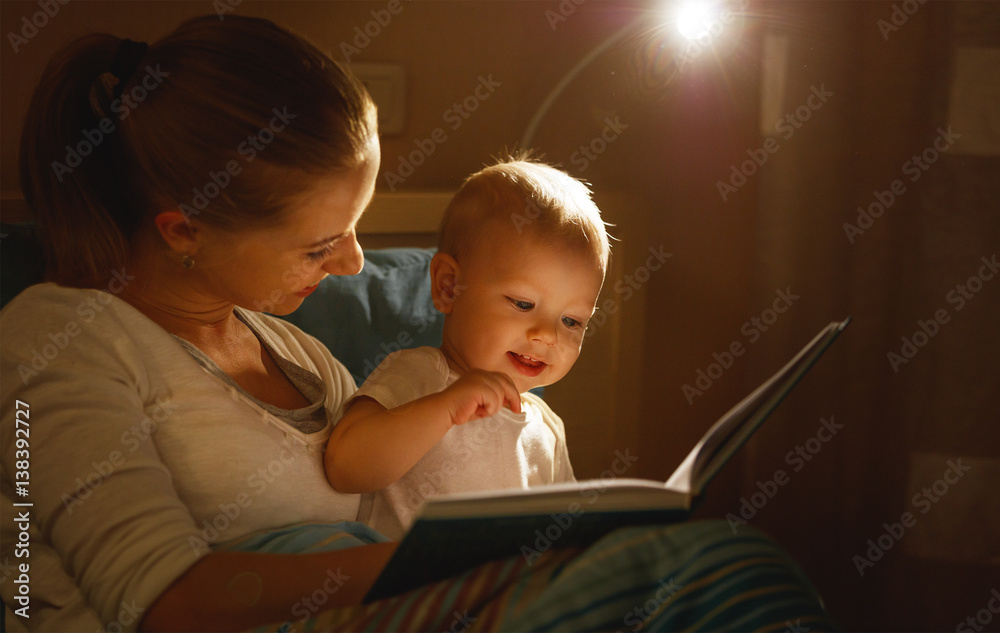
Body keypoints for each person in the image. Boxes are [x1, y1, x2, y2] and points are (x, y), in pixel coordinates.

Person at [0, 13, 839, 633]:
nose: (356, 266)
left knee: (718, 566)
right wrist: (478, 569)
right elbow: (164, 601)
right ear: (184, 229)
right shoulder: (60, 340)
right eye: (321, 243)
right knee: (712, 567)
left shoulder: (292, 351)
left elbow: (379, 486)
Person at [324, 158, 607, 539]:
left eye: (572, 321)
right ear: (448, 286)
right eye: (523, 304)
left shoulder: (548, 430)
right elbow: (345, 468)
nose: (548, 335)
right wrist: (445, 408)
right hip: (411, 589)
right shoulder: (423, 373)